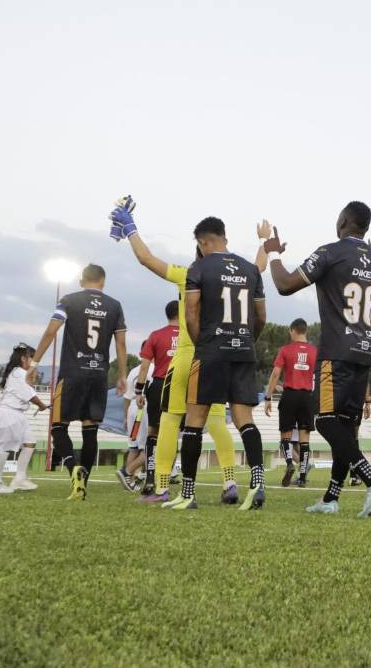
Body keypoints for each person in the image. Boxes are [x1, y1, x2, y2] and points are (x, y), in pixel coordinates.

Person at [111, 201, 263, 505]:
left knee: (172, 419)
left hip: (194, 355)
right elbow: (258, 275)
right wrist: (264, 242)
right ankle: (231, 482)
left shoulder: (191, 272)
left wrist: (130, 228)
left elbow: (146, 258)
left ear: (202, 243)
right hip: (238, 350)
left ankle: (165, 487)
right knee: (220, 422)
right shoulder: (244, 271)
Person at [266, 201, 371, 517]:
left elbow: (284, 285)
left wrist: (273, 253)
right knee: (345, 428)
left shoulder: (330, 252)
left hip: (337, 352)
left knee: (324, 420)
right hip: (364, 353)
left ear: (344, 221)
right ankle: (331, 498)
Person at [164, 217, 269, 512]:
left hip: (211, 350)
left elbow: (191, 314)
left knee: (194, 421)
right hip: (243, 350)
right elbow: (261, 316)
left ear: (202, 241)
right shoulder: (250, 269)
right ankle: (258, 484)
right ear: (224, 236)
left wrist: (202, 344)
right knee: (244, 419)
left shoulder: (198, 268)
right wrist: (249, 340)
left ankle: (187, 493)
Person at [30, 264, 128, 501]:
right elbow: (121, 344)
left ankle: (73, 469)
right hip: (98, 375)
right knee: (90, 429)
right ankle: (82, 484)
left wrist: (34, 364)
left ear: (81, 281)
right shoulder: (114, 306)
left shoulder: (69, 300)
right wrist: (122, 375)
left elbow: (51, 331)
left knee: (58, 426)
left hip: (72, 373)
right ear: (103, 282)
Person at [134, 301, 181, 497]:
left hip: (160, 385)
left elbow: (144, 367)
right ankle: (173, 476)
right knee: (176, 433)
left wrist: (139, 391)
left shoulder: (155, 335)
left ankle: (151, 477)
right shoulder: (191, 335)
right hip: (181, 387)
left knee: (154, 432)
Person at [0, 344, 48, 494]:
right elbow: (30, 395)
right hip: (10, 414)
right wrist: (42, 405)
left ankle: (19, 479)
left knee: (30, 443)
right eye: (32, 358)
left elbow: (30, 387)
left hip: (18, 414)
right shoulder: (19, 373)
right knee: (5, 448)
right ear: (23, 359)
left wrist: (33, 373)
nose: (35, 362)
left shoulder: (21, 373)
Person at [266, 319, 318, 488]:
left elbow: (275, 374)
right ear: (306, 331)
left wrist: (268, 397)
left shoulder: (285, 350)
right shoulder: (314, 351)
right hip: (307, 397)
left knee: (286, 435)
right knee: (304, 439)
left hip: (289, 395)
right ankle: (302, 477)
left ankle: (289, 463)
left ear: (292, 331)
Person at [118, 361, 147, 490]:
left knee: (133, 447)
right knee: (149, 448)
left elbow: (127, 397)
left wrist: (125, 417)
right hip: (144, 410)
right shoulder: (154, 369)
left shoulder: (133, 372)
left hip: (132, 411)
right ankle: (127, 472)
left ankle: (129, 481)